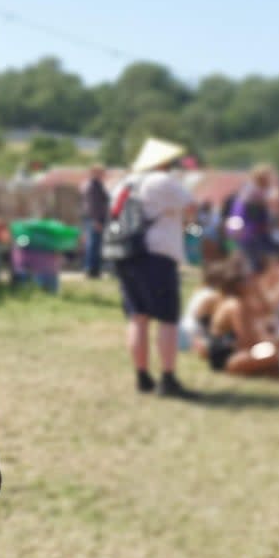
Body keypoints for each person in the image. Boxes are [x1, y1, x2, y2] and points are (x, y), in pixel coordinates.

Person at [113, 137, 197, 398]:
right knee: (167, 319)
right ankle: (168, 378)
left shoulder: (124, 184)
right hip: (158, 255)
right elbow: (191, 208)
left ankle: (142, 376)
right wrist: (182, 225)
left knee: (137, 317)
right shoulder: (164, 182)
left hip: (126, 253)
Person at [80, 164, 109, 278]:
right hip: (94, 218)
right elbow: (93, 204)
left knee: (94, 244)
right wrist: (96, 220)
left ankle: (93, 269)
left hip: (92, 217)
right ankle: (92, 270)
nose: (103, 174)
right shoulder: (94, 186)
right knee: (94, 244)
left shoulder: (94, 185)